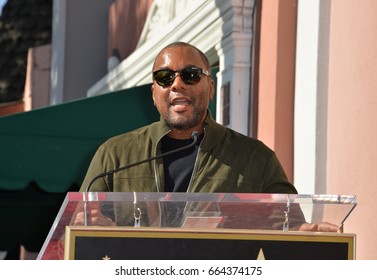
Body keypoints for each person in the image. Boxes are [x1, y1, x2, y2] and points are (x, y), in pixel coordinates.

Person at [78, 42, 340, 232]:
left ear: (210, 88)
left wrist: (303, 233)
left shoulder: (255, 159)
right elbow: (76, 228)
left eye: (191, 75)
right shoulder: (115, 155)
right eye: (165, 77)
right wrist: (89, 227)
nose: (177, 84)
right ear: (154, 93)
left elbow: (289, 225)